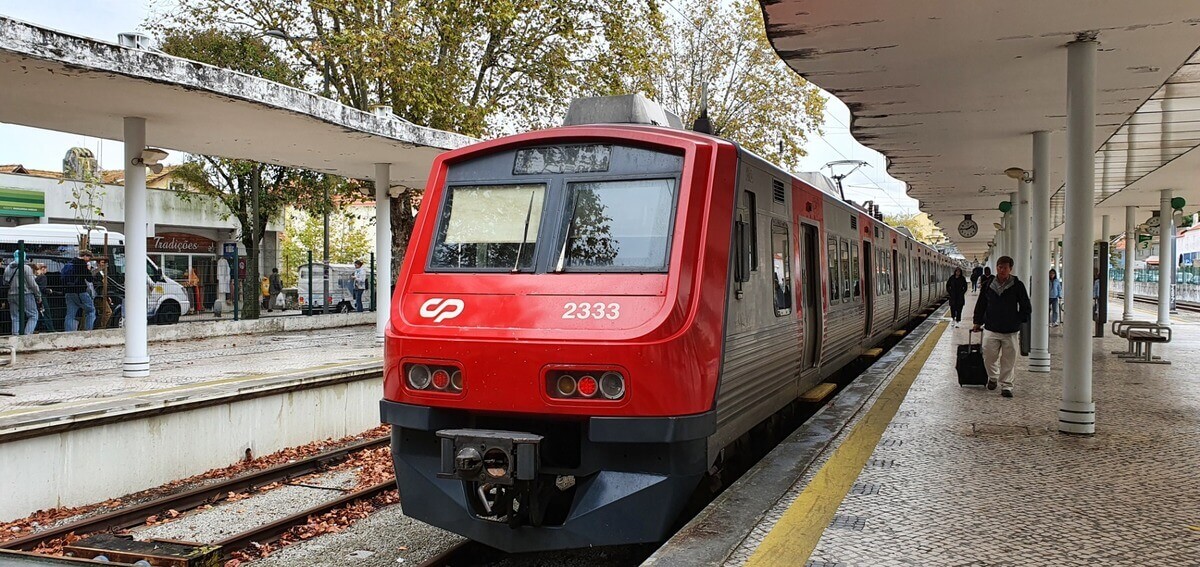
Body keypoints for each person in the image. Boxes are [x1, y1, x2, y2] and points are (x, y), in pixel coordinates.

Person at [972, 256, 1032, 398]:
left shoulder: (1017, 285)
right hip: (991, 327)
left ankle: (1006, 385)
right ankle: (992, 377)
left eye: (1005, 267)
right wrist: (977, 321)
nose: (1002, 270)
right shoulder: (988, 284)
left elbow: (1025, 305)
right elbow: (981, 304)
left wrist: (1019, 319)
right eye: (999, 267)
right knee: (988, 356)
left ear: (1010, 268)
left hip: (1010, 330)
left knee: (1008, 359)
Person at [4, 251, 41, 335]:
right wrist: (38, 295)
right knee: (33, 315)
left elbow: (5, 281)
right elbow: (32, 284)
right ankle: (26, 335)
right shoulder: (26, 267)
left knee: (15, 317)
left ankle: (15, 336)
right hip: (25, 294)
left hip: (11, 295)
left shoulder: (7, 268)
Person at [62, 249, 95, 331]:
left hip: (69, 292)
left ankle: (68, 334)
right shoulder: (82, 264)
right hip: (80, 291)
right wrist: (88, 269)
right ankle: (89, 332)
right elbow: (90, 279)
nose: (89, 260)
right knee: (91, 311)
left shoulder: (69, 263)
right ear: (85, 256)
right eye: (89, 258)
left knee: (70, 314)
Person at [33, 263, 55, 333]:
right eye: (46, 268)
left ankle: (36, 329)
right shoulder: (43, 277)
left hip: (34, 297)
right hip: (42, 297)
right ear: (43, 268)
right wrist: (48, 291)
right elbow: (42, 288)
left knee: (37, 313)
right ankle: (50, 329)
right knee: (46, 313)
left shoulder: (34, 277)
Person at [92, 258, 113, 329]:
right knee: (108, 312)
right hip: (99, 296)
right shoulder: (96, 273)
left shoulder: (103, 273)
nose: (104, 264)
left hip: (102, 296)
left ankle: (100, 326)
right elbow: (97, 286)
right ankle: (102, 327)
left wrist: (107, 296)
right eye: (102, 262)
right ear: (98, 263)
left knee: (103, 312)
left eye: (105, 263)